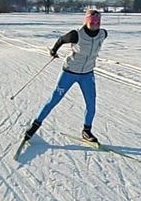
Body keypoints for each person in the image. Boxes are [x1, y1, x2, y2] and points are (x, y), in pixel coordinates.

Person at [22, 9, 107, 144]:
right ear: (86, 21)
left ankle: (87, 131)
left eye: (98, 22)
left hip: (87, 74)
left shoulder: (103, 34)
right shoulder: (76, 34)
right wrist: (53, 51)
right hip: (70, 72)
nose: (95, 24)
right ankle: (34, 126)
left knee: (91, 104)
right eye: (92, 22)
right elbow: (61, 40)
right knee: (54, 99)